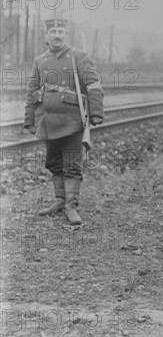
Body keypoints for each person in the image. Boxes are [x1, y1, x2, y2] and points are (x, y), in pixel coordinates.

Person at [24, 18, 104, 225]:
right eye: (53, 32)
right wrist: (29, 119)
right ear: (46, 36)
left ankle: (71, 206)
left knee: (72, 165)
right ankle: (60, 201)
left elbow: (94, 85)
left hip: (72, 123)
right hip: (48, 123)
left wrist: (95, 113)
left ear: (67, 35)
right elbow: (32, 92)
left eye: (61, 31)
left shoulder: (78, 57)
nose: (57, 35)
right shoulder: (40, 61)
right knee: (53, 163)